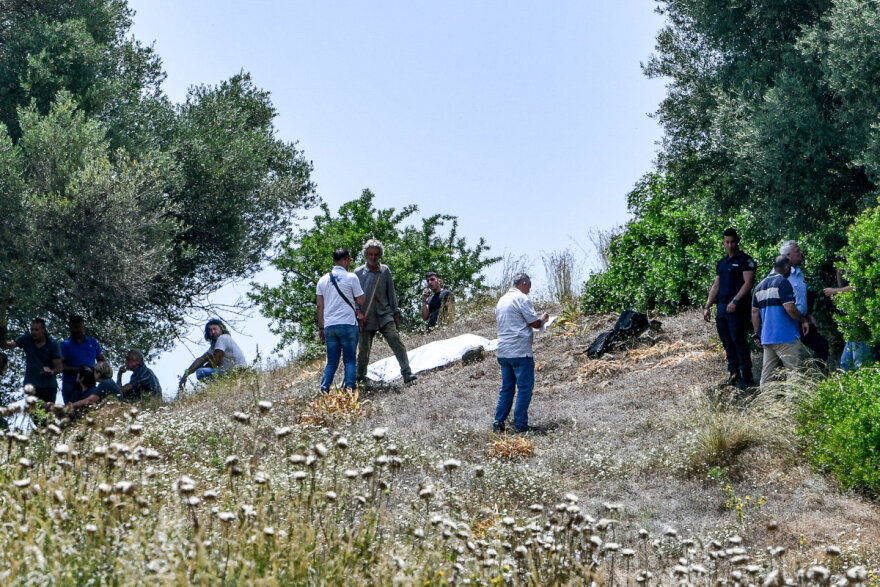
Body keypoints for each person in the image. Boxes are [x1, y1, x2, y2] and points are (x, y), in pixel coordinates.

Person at [355, 239, 417, 385]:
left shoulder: (385, 270)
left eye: (376, 254)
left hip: (384, 315)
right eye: (370, 254)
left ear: (380, 255)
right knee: (363, 351)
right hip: (366, 318)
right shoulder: (358, 273)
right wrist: (358, 313)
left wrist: (395, 313)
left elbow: (391, 293)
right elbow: (353, 297)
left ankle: (407, 373)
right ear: (366, 255)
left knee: (396, 342)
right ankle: (360, 379)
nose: (373, 257)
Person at [493, 273, 549, 433]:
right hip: (520, 351)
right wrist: (543, 319)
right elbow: (535, 323)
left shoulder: (502, 300)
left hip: (504, 351)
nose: (529, 291)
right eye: (529, 287)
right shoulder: (521, 299)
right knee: (524, 388)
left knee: (507, 388)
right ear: (524, 283)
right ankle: (520, 424)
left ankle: (499, 422)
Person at [703, 228, 757, 388]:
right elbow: (716, 286)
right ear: (723, 242)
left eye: (733, 241)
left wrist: (735, 300)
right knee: (727, 342)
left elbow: (749, 282)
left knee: (738, 341)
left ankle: (747, 377)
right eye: (727, 242)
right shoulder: (722, 263)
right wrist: (707, 306)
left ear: (737, 241)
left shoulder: (745, 260)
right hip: (722, 307)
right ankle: (734, 374)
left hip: (738, 308)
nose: (730, 245)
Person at [769, 240, 830, 370]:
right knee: (785, 356)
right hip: (787, 321)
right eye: (797, 251)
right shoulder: (778, 274)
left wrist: (808, 315)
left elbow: (801, 297)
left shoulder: (798, 272)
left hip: (802, 320)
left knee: (821, 345)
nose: (801, 253)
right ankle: (778, 386)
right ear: (788, 256)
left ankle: (818, 377)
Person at [752, 256, 810, 386]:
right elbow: (789, 307)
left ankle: (767, 404)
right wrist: (803, 320)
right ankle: (792, 405)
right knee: (794, 376)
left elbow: (755, 312)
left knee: (767, 379)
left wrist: (757, 333)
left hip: (767, 338)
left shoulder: (759, 286)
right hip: (786, 336)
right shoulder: (783, 282)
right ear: (786, 267)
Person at [316, 247, 366, 392]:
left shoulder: (322, 280)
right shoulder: (351, 277)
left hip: (330, 326)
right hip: (348, 324)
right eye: (349, 260)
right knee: (350, 360)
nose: (349, 263)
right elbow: (361, 300)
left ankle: (324, 389)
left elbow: (320, 306)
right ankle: (350, 390)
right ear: (345, 260)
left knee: (331, 361)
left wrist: (321, 327)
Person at [2, 318, 63, 403]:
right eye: (32, 329)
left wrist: (52, 371)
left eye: (36, 330)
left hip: (48, 387)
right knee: (35, 415)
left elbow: (59, 367)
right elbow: (6, 345)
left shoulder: (52, 344)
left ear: (43, 330)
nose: (33, 332)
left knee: (48, 414)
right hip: (31, 385)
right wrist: (2, 334)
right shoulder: (26, 339)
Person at [178, 319, 248, 391]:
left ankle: (219, 388)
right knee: (201, 367)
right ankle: (222, 387)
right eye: (210, 330)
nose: (213, 332)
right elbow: (201, 359)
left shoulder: (222, 338)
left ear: (221, 328)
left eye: (215, 329)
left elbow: (216, 361)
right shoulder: (215, 345)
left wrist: (204, 367)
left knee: (200, 372)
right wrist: (185, 375)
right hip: (230, 371)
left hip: (235, 370)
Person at [823, 270, 870, 372]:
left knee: (859, 364)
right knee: (845, 364)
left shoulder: (862, 266)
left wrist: (834, 291)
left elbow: (857, 286)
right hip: (853, 323)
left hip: (860, 319)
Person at [60, 315, 105, 404]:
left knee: (89, 409)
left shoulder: (92, 342)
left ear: (84, 327)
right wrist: (81, 370)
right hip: (70, 384)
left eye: (80, 326)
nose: (78, 329)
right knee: (71, 410)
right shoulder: (65, 345)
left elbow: (101, 359)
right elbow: (60, 365)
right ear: (71, 328)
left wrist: (97, 371)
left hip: (89, 384)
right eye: (75, 327)